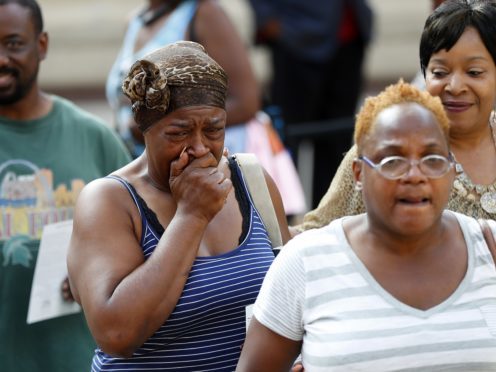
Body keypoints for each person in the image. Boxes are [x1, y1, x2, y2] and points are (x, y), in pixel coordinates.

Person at [236, 80, 496, 371]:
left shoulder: (489, 245)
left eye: (432, 158)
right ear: (358, 173)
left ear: (450, 169)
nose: (414, 174)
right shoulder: (305, 261)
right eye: (393, 160)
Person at [67, 40, 290, 371]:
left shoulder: (252, 181)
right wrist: (192, 215)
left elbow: (289, 300)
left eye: (214, 130)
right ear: (145, 131)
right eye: (179, 133)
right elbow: (116, 333)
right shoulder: (109, 200)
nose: (199, 148)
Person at [0, 0, 132, 371]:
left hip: (78, 358)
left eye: (13, 44)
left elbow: (148, 240)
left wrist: (98, 274)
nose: (1, 59)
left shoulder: (92, 137)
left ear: (41, 45)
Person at [297, 0, 496, 231]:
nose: (455, 86)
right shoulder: (383, 148)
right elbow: (315, 234)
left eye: (474, 72)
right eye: (440, 72)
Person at [248, 0, 373, 208]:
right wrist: (268, 19)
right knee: (289, 142)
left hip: (350, 37)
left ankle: (329, 219)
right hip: (296, 35)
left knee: (336, 143)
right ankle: (281, 228)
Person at [106, 0, 260, 158]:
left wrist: (163, 125)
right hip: (140, 161)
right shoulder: (135, 21)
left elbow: (246, 104)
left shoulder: (204, 14)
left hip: (197, 162)